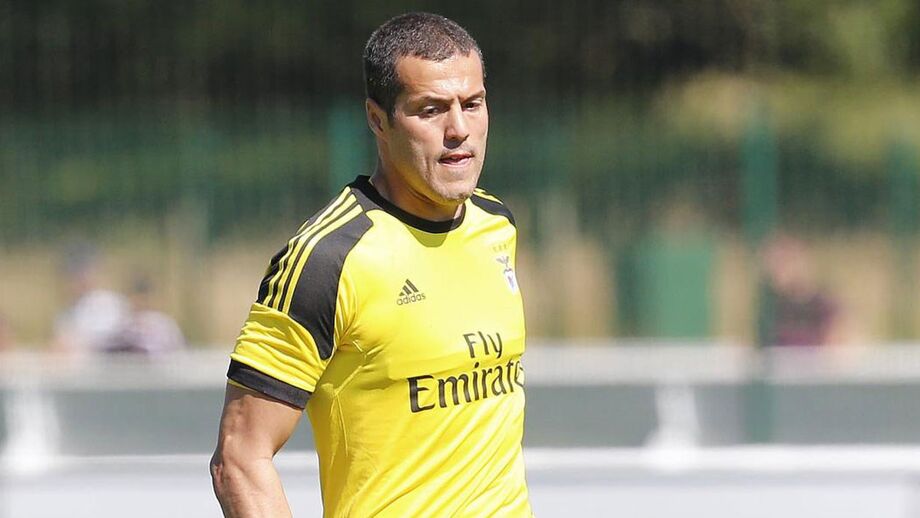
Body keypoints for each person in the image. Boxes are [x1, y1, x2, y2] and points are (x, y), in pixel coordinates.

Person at [211, 12, 532, 517]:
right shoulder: (328, 259)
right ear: (378, 119)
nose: (458, 130)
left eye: (472, 104)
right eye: (430, 110)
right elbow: (239, 457)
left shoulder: (496, 224)